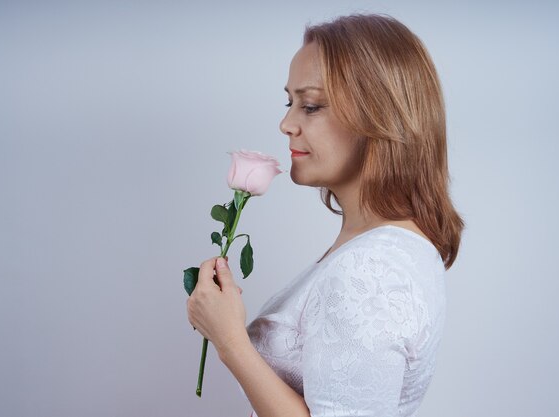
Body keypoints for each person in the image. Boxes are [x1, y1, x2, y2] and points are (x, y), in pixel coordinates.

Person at [187, 13, 464, 417]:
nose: (286, 124)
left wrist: (229, 341)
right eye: (290, 102)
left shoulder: (372, 269)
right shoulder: (376, 251)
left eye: (311, 106)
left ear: (378, 116)